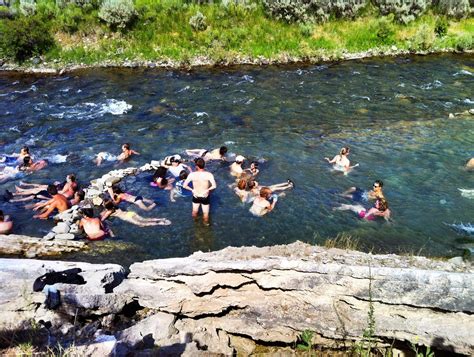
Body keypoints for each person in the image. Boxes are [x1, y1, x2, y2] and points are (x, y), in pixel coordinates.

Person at [183, 158, 217, 225]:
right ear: (204, 165)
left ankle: (195, 223)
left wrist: (192, 190)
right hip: (205, 196)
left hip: (196, 195)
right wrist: (207, 190)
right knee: (205, 213)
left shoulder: (192, 174)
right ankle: (205, 225)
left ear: (196, 166)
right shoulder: (209, 174)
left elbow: (184, 186)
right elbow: (214, 186)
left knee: (194, 211)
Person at [101, 200, 171, 226]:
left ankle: (160, 223)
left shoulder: (109, 212)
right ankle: (161, 218)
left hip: (127, 217)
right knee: (144, 219)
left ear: (106, 206)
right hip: (130, 213)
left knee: (141, 224)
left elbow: (102, 219)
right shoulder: (115, 206)